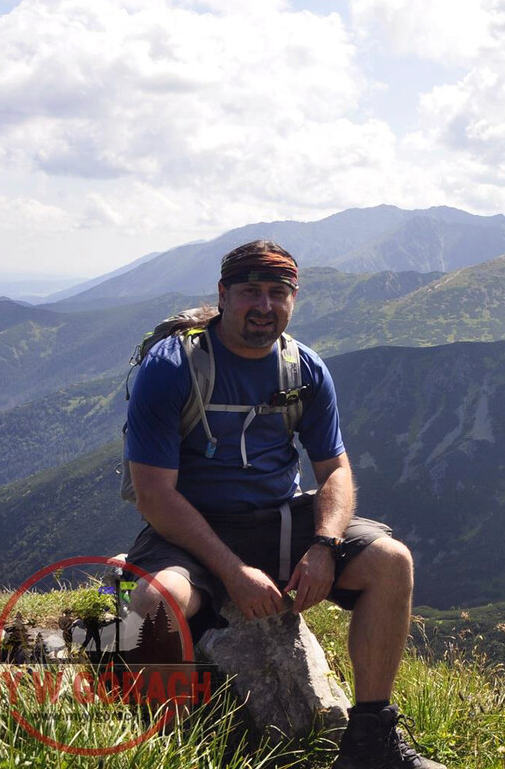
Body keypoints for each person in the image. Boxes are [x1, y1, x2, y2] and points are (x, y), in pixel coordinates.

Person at [123, 240, 443, 769]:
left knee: (392, 562)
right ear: (223, 295)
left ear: (294, 299)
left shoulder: (304, 370)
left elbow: (335, 470)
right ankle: (172, 750)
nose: (264, 306)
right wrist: (233, 572)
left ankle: (370, 742)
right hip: (189, 530)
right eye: (250, 291)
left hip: (280, 520)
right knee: (156, 602)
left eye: (278, 292)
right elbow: (154, 494)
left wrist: (325, 545)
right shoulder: (173, 366)